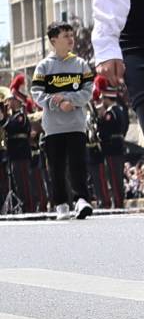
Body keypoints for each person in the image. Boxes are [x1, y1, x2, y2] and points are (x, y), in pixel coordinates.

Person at [31, 22, 95, 221]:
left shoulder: (81, 64)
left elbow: (88, 91)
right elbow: (36, 93)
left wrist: (70, 101)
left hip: (76, 125)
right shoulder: (44, 66)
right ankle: (61, 204)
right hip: (53, 129)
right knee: (56, 167)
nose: (71, 39)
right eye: (65, 35)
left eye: (72, 34)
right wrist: (55, 103)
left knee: (78, 164)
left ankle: (81, 200)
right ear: (53, 41)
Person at [92, 85, 129, 211]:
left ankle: (118, 202)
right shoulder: (120, 110)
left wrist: (99, 122)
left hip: (112, 147)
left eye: (103, 97)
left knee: (114, 176)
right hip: (117, 146)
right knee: (117, 176)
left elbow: (104, 130)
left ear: (108, 97)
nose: (102, 100)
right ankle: (119, 201)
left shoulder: (110, 113)